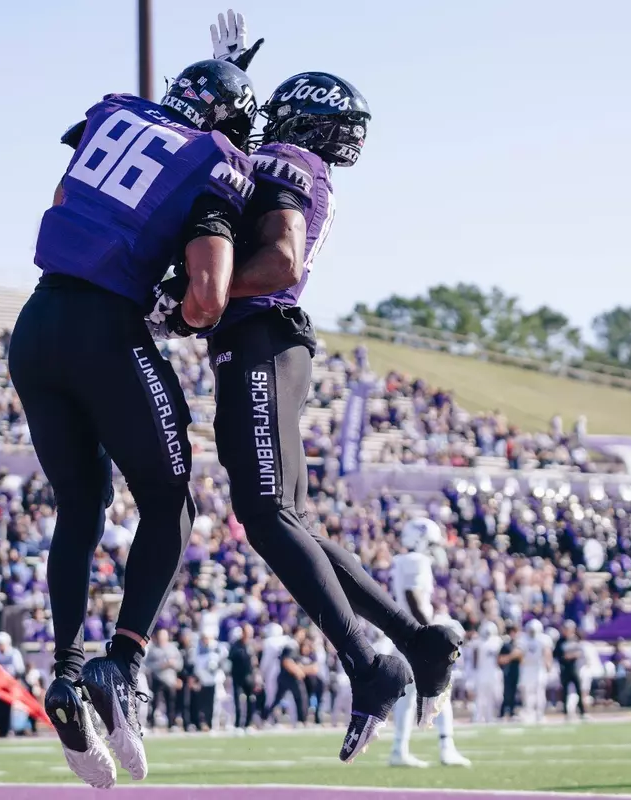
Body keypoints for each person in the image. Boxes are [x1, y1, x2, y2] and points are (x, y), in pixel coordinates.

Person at [170, 14, 457, 761]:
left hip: (262, 336)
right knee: (288, 519)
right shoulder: (294, 158)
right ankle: (414, 639)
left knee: (264, 515)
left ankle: (370, 664)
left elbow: (280, 263)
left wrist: (194, 299)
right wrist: (227, 75)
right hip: (265, 341)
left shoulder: (289, 158)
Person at [8, 48, 257, 789]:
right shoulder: (219, 160)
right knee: (170, 500)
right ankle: (125, 662)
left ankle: (63, 672)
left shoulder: (113, 111)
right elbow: (208, 296)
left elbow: (62, 202)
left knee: (80, 504)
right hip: (105, 332)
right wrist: (172, 311)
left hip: (36, 322)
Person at [388, 518, 469, 767]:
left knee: (411, 695)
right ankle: (446, 747)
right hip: (417, 634)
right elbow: (413, 595)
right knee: (440, 688)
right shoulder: (416, 561)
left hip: (405, 634)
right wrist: (431, 631)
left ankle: (400, 750)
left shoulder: (402, 561)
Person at [518, 619, 553, 724]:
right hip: (527, 667)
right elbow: (520, 653)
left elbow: (547, 652)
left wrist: (548, 665)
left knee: (539, 692)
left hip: (538, 667)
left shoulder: (544, 639)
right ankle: (529, 712)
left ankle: (539, 713)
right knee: (527, 692)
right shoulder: (523, 639)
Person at [557, 621, 588, 720]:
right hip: (565, 669)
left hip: (575, 669)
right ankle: (566, 712)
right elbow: (558, 655)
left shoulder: (576, 639)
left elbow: (580, 653)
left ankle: (582, 711)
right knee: (565, 691)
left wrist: (572, 656)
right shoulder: (560, 641)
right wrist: (565, 657)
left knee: (579, 690)